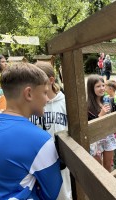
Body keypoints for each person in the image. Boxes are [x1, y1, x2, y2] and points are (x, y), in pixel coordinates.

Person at [0, 62, 62, 199]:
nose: (47, 98)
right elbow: (51, 193)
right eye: (44, 92)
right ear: (29, 93)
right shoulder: (40, 140)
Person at [30, 61, 72, 200]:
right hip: (38, 159)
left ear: (51, 80)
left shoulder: (66, 102)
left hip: (61, 158)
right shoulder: (30, 104)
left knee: (64, 193)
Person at [87, 74, 116, 172]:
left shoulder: (109, 100)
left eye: (103, 85)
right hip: (95, 140)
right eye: (98, 86)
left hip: (108, 136)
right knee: (98, 169)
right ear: (91, 88)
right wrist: (101, 114)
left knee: (108, 166)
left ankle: (108, 186)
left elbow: (115, 116)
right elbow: (89, 127)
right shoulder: (87, 106)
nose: (102, 88)